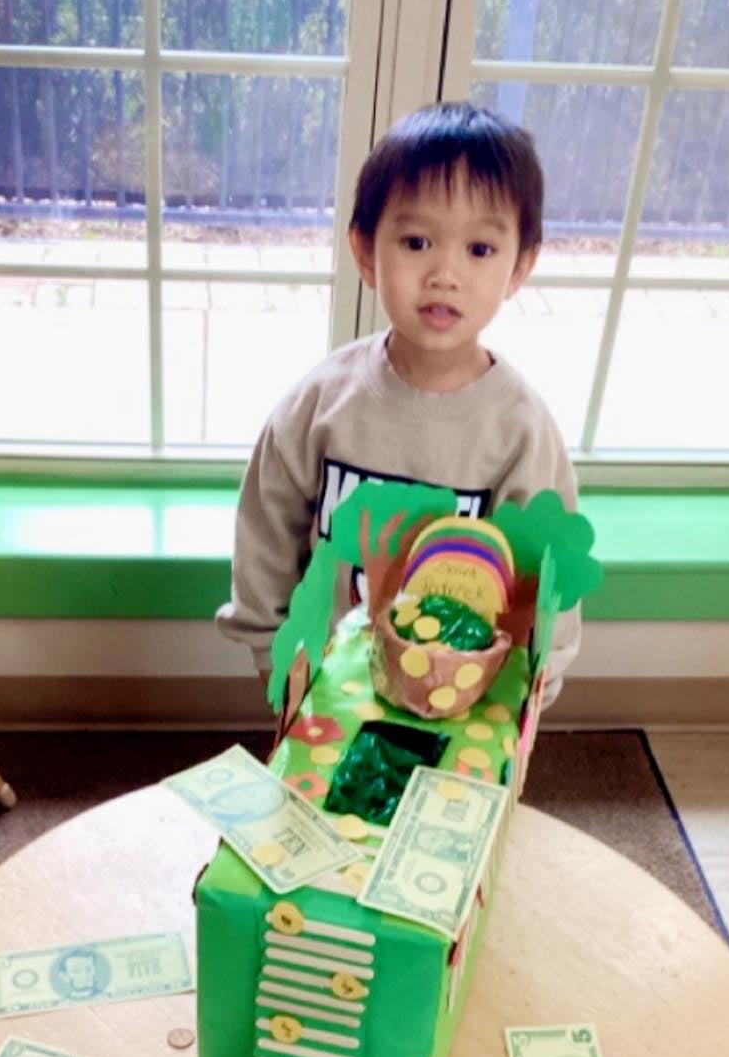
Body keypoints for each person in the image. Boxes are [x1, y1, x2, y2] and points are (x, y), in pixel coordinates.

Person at [217, 100, 581, 704]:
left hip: (460, 698)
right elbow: (266, 533)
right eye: (416, 241)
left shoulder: (520, 430)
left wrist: (530, 688)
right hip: (327, 688)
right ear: (364, 251)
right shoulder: (320, 403)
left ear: (521, 265)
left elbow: (549, 577)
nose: (444, 272)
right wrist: (274, 651)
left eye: (480, 250)